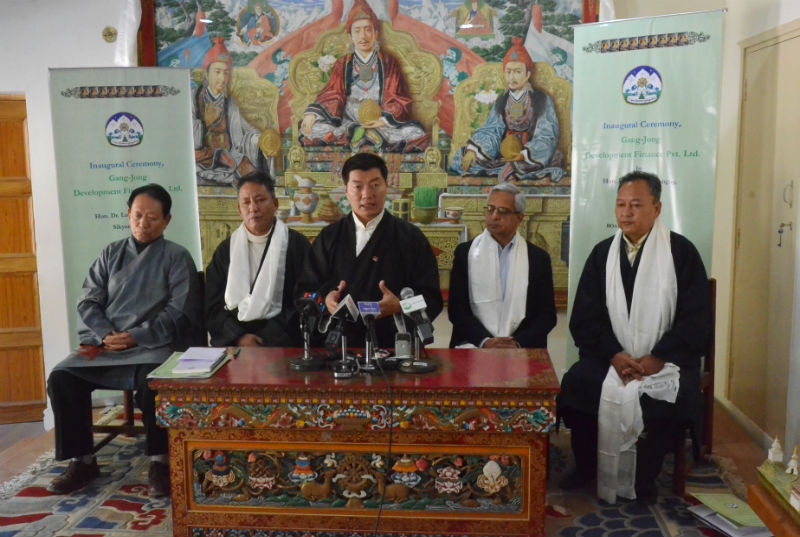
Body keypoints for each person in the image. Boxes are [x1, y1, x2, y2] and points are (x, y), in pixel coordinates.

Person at [557, 171, 712, 504]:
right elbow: (585, 317)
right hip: (611, 358)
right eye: (620, 205)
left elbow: (695, 320)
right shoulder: (602, 255)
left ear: (656, 209)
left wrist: (658, 357)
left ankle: (644, 477)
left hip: (665, 360)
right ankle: (587, 466)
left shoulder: (681, 254)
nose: (626, 213)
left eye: (636, 205)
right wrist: (614, 354)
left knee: (665, 395)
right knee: (578, 383)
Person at [46, 184, 202, 497]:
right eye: (138, 215)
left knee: (154, 383)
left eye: (153, 218)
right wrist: (105, 333)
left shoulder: (177, 256)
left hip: (152, 345)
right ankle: (83, 460)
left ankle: (160, 462)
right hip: (105, 344)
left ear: (167, 220)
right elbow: (88, 300)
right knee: (62, 378)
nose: (144, 223)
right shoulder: (110, 253)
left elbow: (179, 310)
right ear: (127, 215)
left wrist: (137, 336)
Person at [296, 153, 442, 348]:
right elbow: (305, 292)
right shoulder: (329, 237)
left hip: (394, 346)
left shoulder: (410, 238)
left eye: (375, 185)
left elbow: (431, 299)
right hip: (338, 346)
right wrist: (326, 302)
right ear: (346, 190)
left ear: (386, 187)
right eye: (357, 186)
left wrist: (399, 306)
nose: (367, 194)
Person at [298, 0, 429, 153]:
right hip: (348, 123)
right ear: (350, 36)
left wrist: (382, 120)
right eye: (357, 31)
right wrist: (312, 114)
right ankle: (363, 135)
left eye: (368, 30)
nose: (363, 36)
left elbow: (398, 97)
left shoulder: (388, 63)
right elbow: (332, 94)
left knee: (416, 132)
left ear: (376, 34)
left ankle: (367, 136)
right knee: (311, 129)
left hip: (380, 123)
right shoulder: (343, 63)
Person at [205, 171, 311, 347]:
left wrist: (266, 338)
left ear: (275, 204)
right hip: (236, 344)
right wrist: (239, 337)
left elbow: (304, 301)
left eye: (260, 200)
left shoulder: (296, 245)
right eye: (246, 203)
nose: (253, 208)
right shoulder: (225, 251)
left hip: (282, 342)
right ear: (239, 210)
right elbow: (213, 307)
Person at [448, 183, 555, 349]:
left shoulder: (538, 258)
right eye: (490, 209)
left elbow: (546, 316)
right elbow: (457, 310)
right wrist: (486, 342)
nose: (494, 216)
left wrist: (517, 343)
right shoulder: (465, 254)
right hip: (474, 345)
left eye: (502, 211)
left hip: (522, 349)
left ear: (519, 218)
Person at [450, 38, 562, 183]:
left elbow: (547, 134)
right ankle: (509, 169)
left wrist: (525, 154)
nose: (512, 77)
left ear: (527, 74)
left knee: (541, 161)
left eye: (517, 72)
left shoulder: (541, 99)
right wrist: (474, 150)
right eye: (508, 72)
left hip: (530, 155)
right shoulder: (502, 100)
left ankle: (512, 169)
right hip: (503, 154)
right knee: (461, 158)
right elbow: (492, 129)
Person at [192, 37, 263, 186]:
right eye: (217, 72)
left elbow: (247, 128)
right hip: (203, 158)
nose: (222, 78)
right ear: (207, 74)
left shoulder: (230, 103)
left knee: (254, 178)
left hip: (229, 156)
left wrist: (258, 137)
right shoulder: (193, 99)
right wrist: (203, 123)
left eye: (226, 73)